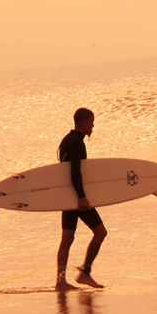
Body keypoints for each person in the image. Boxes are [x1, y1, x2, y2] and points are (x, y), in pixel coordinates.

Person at [56, 107, 107, 291]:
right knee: (101, 232)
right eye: (91, 122)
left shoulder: (65, 141)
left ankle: (60, 281)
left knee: (67, 238)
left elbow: (63, 173)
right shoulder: (77, 143)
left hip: (67, 197)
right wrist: (82, 197)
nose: (93, 126)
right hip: (77, 198)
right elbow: (74, 173)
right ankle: (85, 272)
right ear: (84, 122)